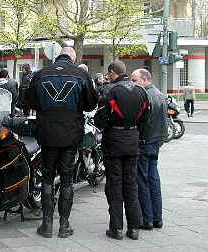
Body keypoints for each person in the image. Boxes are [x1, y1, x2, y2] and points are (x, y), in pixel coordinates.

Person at [26, 47, 98, 238]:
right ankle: (64, 225)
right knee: (67, 179)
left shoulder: (41, 74)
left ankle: (47, 225)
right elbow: (91, 103)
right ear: (73, 59)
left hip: (47, 133)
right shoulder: (81, 74)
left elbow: (30, 101)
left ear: (57, 56)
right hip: (70, 133)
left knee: (47, 177)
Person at [94, 60, 149, 240]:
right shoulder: (141, 91)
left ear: (111, 72)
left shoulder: (110, 91)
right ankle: (134, 228)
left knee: (114, 185)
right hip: (132, 141)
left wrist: (110, 125)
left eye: (108, 73)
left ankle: (116, 228)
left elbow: (99, 120)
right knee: (131, 184)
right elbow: (145, 118)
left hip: (114, 143)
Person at [131, 69, 166, 230]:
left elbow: (140, 121)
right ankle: (157, 218)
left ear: (145, 79)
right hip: (155, 142)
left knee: (142, 181)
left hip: (145, 142)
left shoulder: (144, 96)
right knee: (153, 179)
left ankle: (147, 219)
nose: (132, 83)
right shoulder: (159, 94)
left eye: (135, 80)